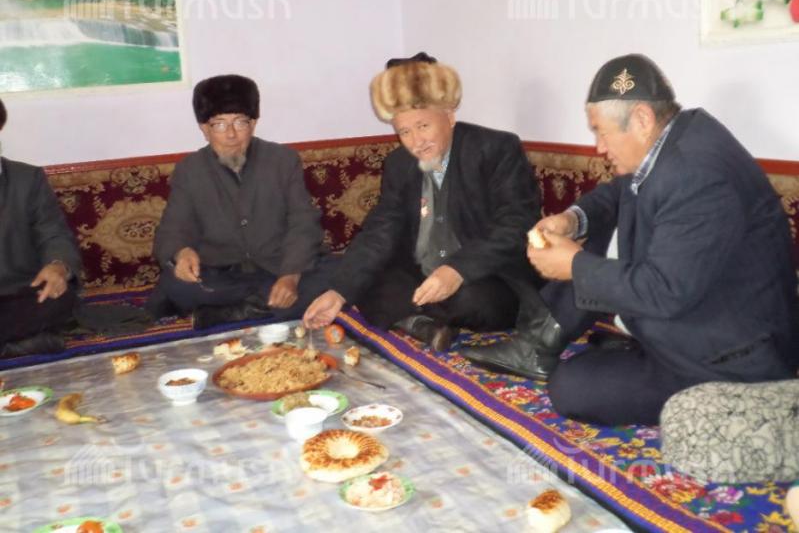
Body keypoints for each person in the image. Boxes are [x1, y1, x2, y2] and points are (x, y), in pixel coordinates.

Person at [523, 53, 798, 425]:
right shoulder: (678, 137)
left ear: (641, 119)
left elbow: (664, 289)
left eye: (602, 132)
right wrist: (573, 219)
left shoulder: (697, 174)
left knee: (570, 386)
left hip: (732, 356)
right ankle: (563, 337)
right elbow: (617, 192)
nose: (599, 147)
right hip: (703, 318)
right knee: (597, 241)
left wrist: (573, 265)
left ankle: (738, 401)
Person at [303, 52, 562, 371]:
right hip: (422, 272)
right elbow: (381, 230)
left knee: (474, 301)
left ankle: (415, 320)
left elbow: (516, 223)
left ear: (449, 115)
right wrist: (339, 292)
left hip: (484, 276)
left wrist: (457, 270)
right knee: (362, 282)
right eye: (404, 132)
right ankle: (424, 325)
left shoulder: (496, 149)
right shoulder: (399, 164)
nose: (416, 142)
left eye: (423, 126)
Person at [148, 74, 335, 328]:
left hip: (278, 267)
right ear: (204, 129)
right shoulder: (190, 170)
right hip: (222, 275)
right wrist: (181, 252)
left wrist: (291, 275)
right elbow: (173, 228)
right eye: (219, 124)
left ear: (254, 123)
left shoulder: (283, 160)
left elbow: (303, 222)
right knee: (175, 284)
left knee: (341, 275)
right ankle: (258, 310)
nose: (231, 134)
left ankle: (228, 314)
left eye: (240, 122)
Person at [0, 97, 81, 357]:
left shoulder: (28, 179)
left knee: (59, 299)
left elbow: (54, 234)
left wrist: (58, 266)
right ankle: (17, 346)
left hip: (23, 292)